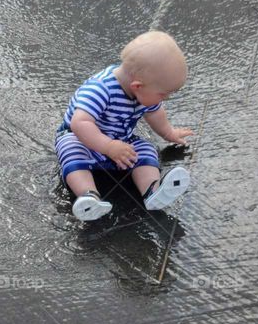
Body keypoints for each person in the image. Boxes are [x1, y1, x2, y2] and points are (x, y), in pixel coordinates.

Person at [56, 32, 194, 222]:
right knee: (70, 149)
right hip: (83, 140)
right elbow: (80, 123)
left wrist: (169, 132)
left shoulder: (145, 91)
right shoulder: (100, 89)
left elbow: (155, 113)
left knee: (146, 150)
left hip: (121, 142)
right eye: (163, 94)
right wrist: (108, 146)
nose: (165, 99)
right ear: (137, 86)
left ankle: (152, 191)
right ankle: (88, 196)